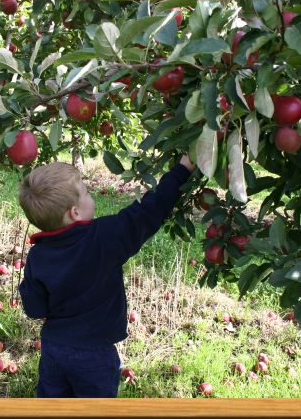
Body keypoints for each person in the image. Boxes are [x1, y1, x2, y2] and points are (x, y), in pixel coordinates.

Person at [17, 154, 197, 397]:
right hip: (95, 354)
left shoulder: (38, 255)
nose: (90, 196)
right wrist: (182, 169)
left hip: (54, 349)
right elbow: (148, 212)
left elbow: (34, 308)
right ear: (75, 212)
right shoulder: (104, 238)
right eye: (86, 193)